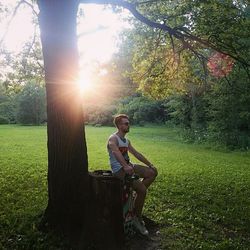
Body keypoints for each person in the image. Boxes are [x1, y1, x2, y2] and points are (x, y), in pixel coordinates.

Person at [107, 114, 158, 236]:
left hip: (129, 166)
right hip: (119, 170)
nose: (128, 125)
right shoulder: (113, 138)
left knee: (152, 173)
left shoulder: (126, 141)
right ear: (119, 125)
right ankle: (136, 217)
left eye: (128, 123)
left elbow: (136, 154)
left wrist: (150, 164)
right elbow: (116, 152)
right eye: (126, 123)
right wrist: (125, 166)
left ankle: (136, 196)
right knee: (143, 190)